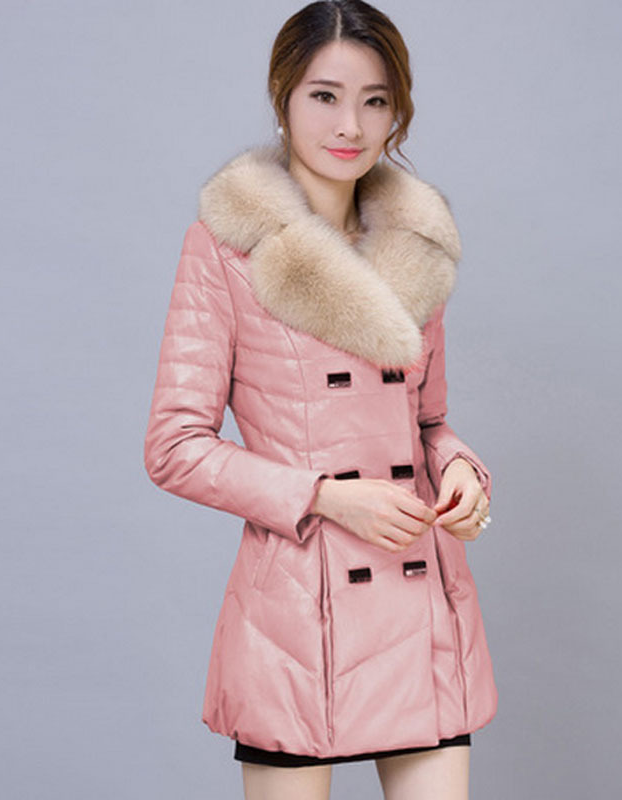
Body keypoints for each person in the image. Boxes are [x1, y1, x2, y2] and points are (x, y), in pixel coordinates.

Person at [143, 1, 497, 797]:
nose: (350, 125)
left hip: (421, 609)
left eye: (376, 100)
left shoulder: (416, 245)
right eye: (325, 96)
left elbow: (427, 420)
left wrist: (463, 472)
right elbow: (174, 446)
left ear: (398, 112)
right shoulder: (227, 248)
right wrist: (327, 498)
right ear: (284, 99)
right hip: (301, 622)